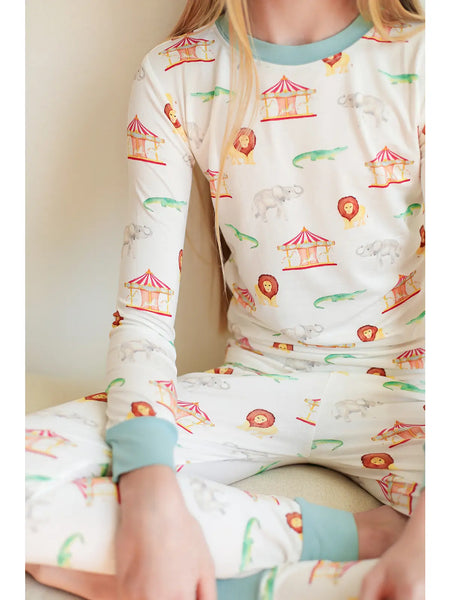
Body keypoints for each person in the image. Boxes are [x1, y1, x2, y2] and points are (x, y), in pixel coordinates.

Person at [25, 1, 425, 599]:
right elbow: (143, 314)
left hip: (411, 396)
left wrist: (429, 538)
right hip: (255, 384)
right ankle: (359, 544)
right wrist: (151, 501)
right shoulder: (176, 73)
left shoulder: (424, 58)